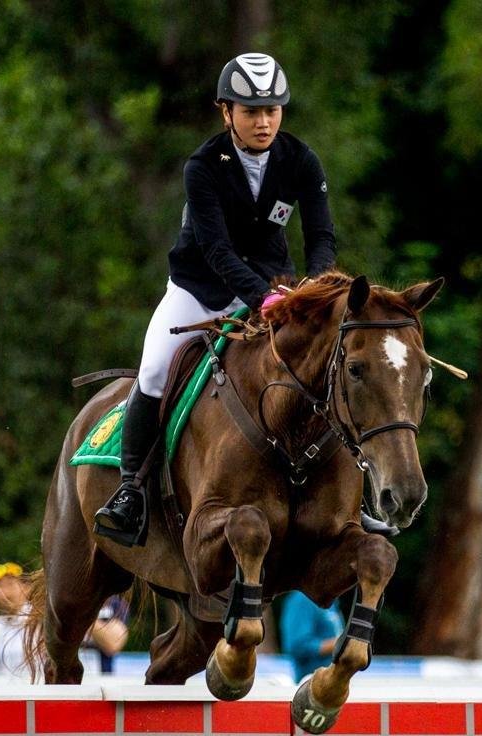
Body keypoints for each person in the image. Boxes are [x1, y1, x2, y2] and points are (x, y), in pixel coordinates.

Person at [94, 51, 337, 547]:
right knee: (156, 370)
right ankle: (130, 491)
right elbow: (215, 248)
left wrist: (316, 291)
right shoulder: (202, 166)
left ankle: (345, 490)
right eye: (251, 111)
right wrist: (258, 298)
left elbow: (322, 237)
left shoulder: (301, 161)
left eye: (272, 110)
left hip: (275, 291)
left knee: (323, 367)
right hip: (200, 292)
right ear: (226, 111)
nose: (264, 121)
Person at [279, 590, 344, 682]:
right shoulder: (302, 599)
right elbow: (297, 645)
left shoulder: (330, 600)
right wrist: (341, 644)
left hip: (334, 682)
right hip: (311, 683)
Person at [0, 561, 33, 680]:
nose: (4, 593)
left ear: (27, 588)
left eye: (10, 585)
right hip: (8, 694)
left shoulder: (39, 621)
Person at [82, 595, 129, 675]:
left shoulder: (116, 603)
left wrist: (83, 617)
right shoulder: (65, 597)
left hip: (102, 679)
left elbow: (113, 644)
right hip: (70, 680)